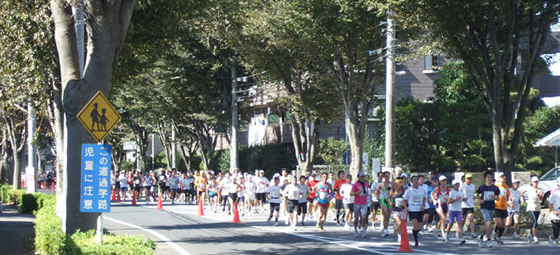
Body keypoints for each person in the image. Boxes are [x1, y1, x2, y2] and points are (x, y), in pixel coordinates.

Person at [476, 171, 500, 248]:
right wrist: (480, 200)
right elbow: (476, 194)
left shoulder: (495, 187)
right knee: (489, 222)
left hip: (492, 207)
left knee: (487, 224)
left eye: (490, 177)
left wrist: (495, 197)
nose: (489, 178)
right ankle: (489, 240)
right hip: (484, 207)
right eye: (488, 177)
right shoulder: (482, 187)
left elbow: (498, 197)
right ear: (485, 178)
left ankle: (481, 237)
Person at [403, 175, 426, 247]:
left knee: (419, 227)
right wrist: (406, 207)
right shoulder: (409, 191)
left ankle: (414, 233)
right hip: (412, 209)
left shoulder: (422, 190)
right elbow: (404, 200)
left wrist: (423, 205)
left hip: (420, 209)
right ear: (412, 182)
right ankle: (416, 241)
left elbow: (424, 198)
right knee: (415, 226)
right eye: (414, 180)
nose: (416, 182)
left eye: (417, 180)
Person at [521, 176, 544, 243]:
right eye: (534, 182)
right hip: (530, 207)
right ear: (531, 182)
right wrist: (523, 199)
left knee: (535, 221)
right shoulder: (529, 188)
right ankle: (535, 236)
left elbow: (542, 199)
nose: (536, 183)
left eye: (537, 182)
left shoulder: (540, 190)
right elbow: (522, 192)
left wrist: (539, 195)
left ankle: (530, 234)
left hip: (537, 207)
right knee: (534, 221)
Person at [445, 179, 466, 244]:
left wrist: (464, 199)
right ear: (453, 185)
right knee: (450, 224)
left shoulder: (461, 192)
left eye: (458, 184)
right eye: (456, 184)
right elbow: (449, 201)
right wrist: (455, 199)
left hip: (459, 210)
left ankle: (461, 238)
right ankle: (447, 234)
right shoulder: (452, 192)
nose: (457, 185)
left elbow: (462, 199)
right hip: (452, 210)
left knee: (460, 224)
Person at [492, 172, 510, 244]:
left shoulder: (506, 187)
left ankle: (498, 236)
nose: (503, 178)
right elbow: (492, 195)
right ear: (498, 178)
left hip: (504, 207)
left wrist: (509, 202)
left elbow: (507, 196)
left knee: (503, 224)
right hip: (497, 207)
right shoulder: (495, 186)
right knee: (500, 224)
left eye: (503, 177)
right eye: (501, 177)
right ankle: (496, 234)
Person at [350, 172, 370, 238]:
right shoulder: (355, 184)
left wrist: (367, 194)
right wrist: (357, 192)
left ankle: (363, 229)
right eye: (361, 177)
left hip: (364, 203)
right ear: (358, 177)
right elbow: (351, 193)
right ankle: (355, 230)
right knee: (356, 218)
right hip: (357, 203)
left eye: (363, 177)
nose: (362, 178)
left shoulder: (366, 183)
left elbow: (367, 192)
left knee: (364, 217)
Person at [432, 175, 450, 240]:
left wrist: (449, 199)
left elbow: (450, 196)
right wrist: (434, 200)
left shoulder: (448, 189)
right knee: (443, 218)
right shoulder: (437, 188)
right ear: (440, 182)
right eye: (442, 181)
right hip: (439, 205)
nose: (444, 182)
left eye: (445, 180)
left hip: (446, 205)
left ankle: (436, 229)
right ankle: (443, 234)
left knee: (442, 219)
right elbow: (432, 194)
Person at [460, 173, 477, 238]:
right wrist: (462, 198)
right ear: (465, 179)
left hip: (470, 205)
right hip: (463, 205)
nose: (470, 180)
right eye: (468, 178)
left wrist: (474, 197)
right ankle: (460, 229)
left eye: (471, 178)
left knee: (471, 219)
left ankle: (473, 233)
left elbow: (473, 194)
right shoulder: (462, 186)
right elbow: (459, 194)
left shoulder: (473, 186)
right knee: (463, 219)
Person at [377, 171, 392, 237]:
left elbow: (394, 191)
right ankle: (384, 229)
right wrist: (378, 198)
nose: (387, 177)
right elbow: (377, 191)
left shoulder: (392, 184)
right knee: (385, 213)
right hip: (383, 200)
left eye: (388, 176)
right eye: (386, 176)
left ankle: (386, 228)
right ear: (384, 177)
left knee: (388, 215)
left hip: (390, 200)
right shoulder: (381, 184)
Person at [391, 177, 406, 242]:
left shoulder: (404, 190)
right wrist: (390, 202)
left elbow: (407, 198)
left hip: (402, 209)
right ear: (396, 183)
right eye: (400, 182)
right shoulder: (392, 191)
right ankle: (399, 236)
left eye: (402, 182)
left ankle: (401, 233)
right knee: (399, 222)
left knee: (402, 223)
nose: (401, 184)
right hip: (395, 209)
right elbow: (389, 198)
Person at [549, 177, 560, 247]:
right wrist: (553, 211)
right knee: (556, 234)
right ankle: (552, 238)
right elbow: (550, 203)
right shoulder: (555, 194)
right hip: (556, 215)